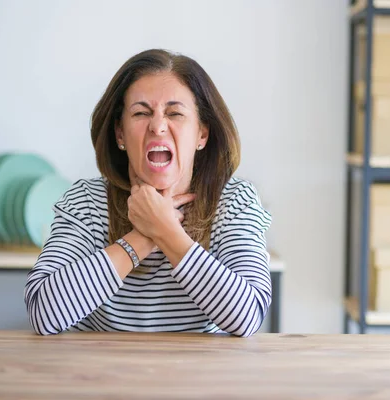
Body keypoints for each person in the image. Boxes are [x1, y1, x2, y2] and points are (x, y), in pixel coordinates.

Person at [24, 49, 272, 337]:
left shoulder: (235, 201)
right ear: (120, 134)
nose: (157, 126)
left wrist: (166, 232)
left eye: (175, 113)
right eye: (141, 113)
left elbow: (247, 318)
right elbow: (43, 313)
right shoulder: (86, 202)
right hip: (101, 377)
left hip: (201, 379)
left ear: (202, 134)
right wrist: (140, 239)